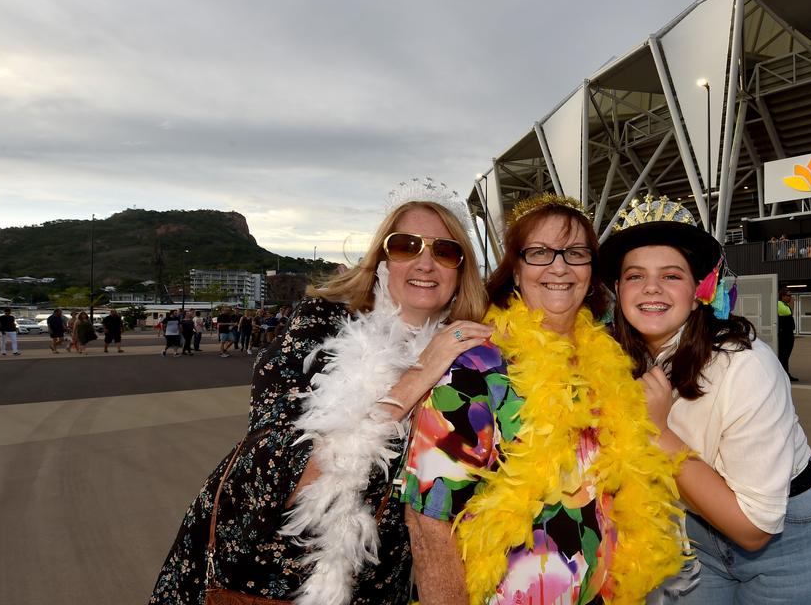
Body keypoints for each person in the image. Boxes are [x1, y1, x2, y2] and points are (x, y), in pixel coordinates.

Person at [151, 181, 490, 605]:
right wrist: (417, 379)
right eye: (406, 245)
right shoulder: (318, 327)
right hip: (262, 576)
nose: (425, 262)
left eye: (444, 251)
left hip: (381, 585)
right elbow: (283, 471)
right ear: (383, 259)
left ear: (461, 271)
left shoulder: (471, 356)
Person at [403, 194, 683, 605]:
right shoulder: (477, 367)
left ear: (591, 271)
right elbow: (428, 521)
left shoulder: (610, 361)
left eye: (575, 253)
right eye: (539, 253)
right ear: (515, 271)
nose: (559, 266)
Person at [599, 195, 811, 603]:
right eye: (635, 276)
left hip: (784, 538)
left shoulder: (746, 367)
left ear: (700, 290)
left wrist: (658, 433)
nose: (651, 288)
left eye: (671, 276)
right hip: (690, 529)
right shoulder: (619, 359)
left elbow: (754, 528)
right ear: (619, 291)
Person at [778, 288, 797, 382]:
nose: (790, 297)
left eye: (790, 295)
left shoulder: (784, 304)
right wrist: (792, 303)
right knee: (783, 355)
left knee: (786, 356)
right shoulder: (779, 304)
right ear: (782, 296)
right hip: (784, 334)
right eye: (788, 295)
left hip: (788, 333)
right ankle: (784, 375)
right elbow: (789, 313)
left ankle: (786, 373)